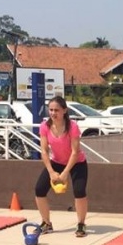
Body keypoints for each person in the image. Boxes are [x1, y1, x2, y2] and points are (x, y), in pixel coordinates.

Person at [35, 95, 88, 237]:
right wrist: (52, 172)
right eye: (51, 110)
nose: (53, 113)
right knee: (39, 189)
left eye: (56, 110)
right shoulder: (44, 127)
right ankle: (46, 223)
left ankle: (81, 224)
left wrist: (65, 173)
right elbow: (44, 151)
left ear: (64, 110)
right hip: (56, 161)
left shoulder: (73, 127)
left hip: (77, 163)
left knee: (79, 191)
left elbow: (75, 152)